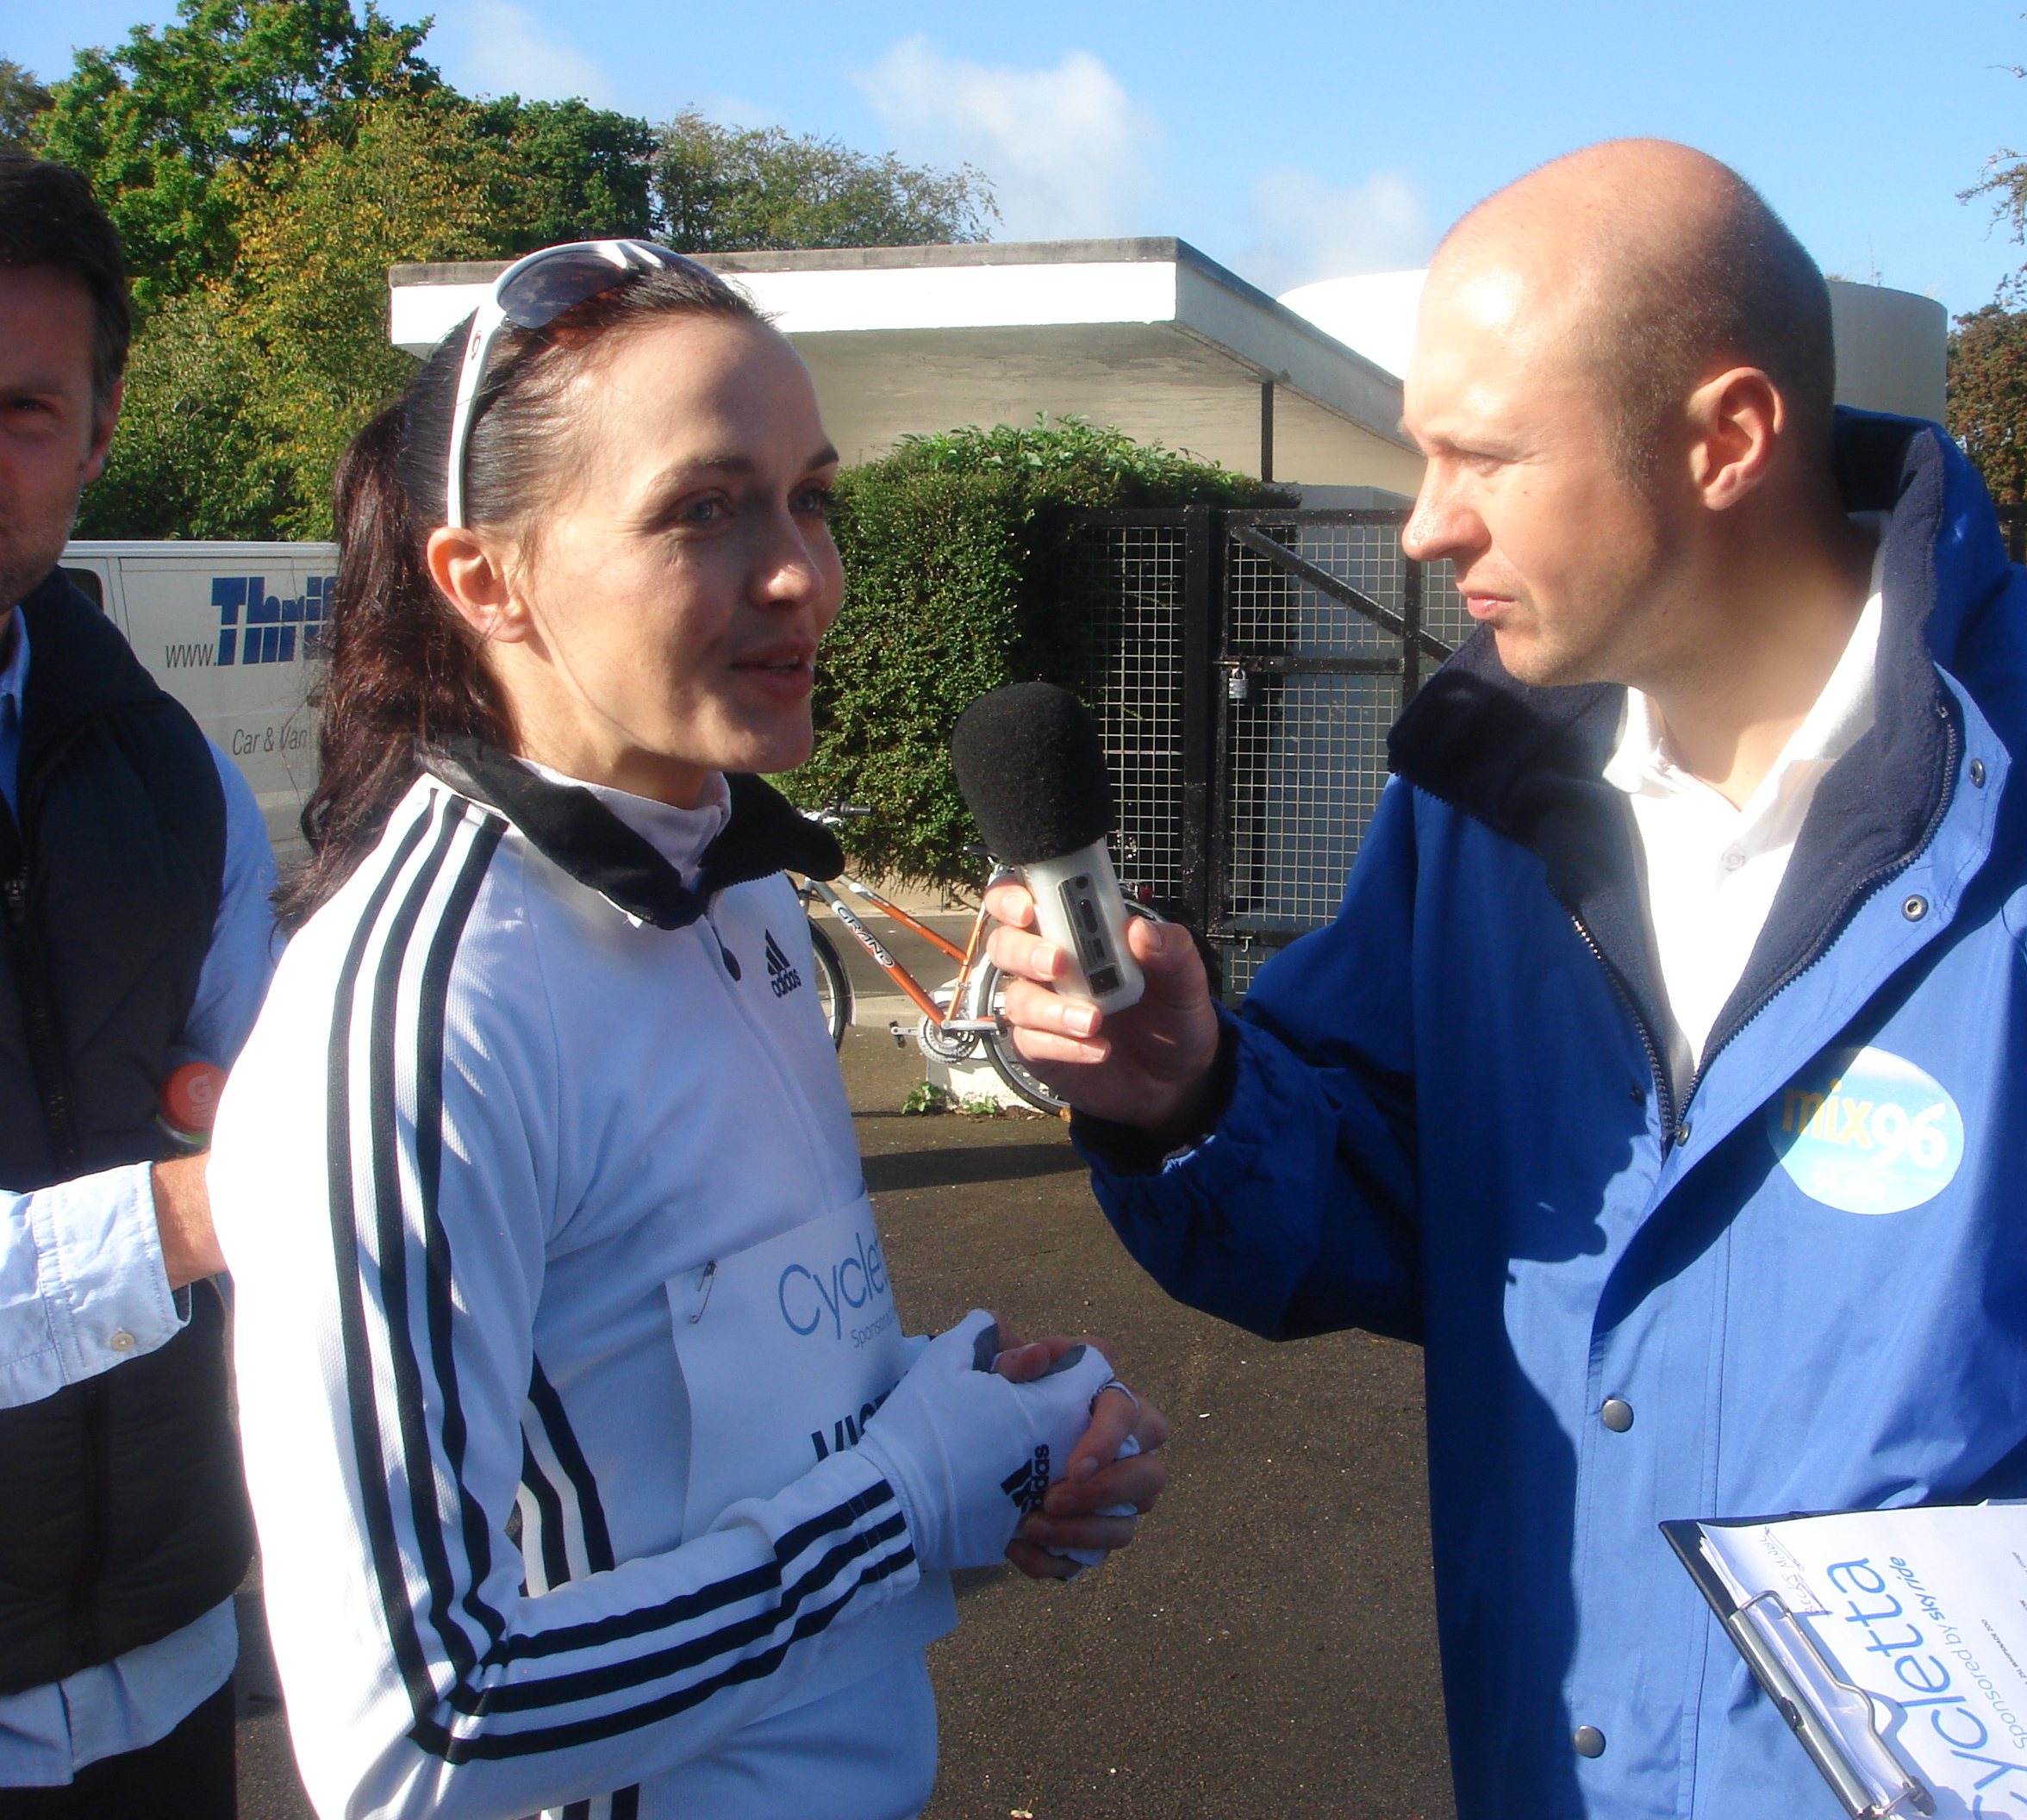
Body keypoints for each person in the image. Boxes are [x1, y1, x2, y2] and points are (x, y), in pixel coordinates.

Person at [983, 140, 2027, 1820]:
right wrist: (1194, 1094)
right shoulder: (1477, 808)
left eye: (1486, 458)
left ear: (1729, 437)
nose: (1425, 526)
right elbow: (1403, 1205)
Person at [206, 239, 1169, 1818]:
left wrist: (978, 1415)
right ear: (485, 581)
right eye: (703, 508)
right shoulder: (418, 1020)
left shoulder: (740, 882)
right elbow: (420, 1736)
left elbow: (681, 1389)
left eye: (812, 496)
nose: (803, 573)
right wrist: (910, 1495)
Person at [0, 155, 276, 1818]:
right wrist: (201, 1204)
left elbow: (239, 1094)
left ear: (99, 438)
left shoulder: (178, 777)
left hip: (171, 1659)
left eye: (23, 410)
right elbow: (240, 1194)